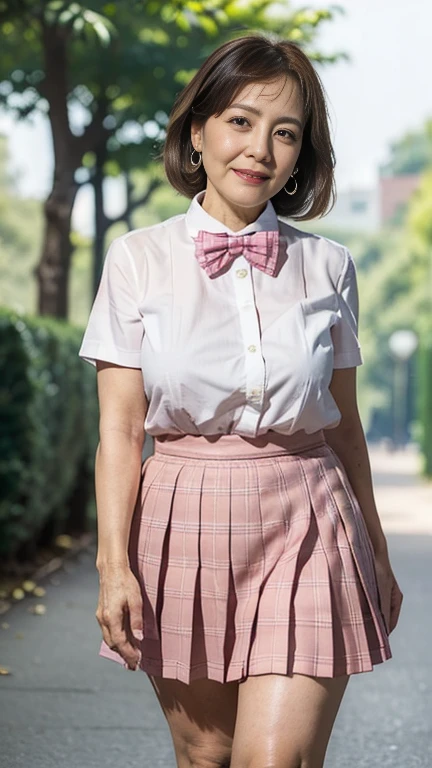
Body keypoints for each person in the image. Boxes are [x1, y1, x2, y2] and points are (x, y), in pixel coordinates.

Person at [78, 33, 403, 768]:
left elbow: (346, 427)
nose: (261, 148)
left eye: (285, 132)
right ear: (197, 130)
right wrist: (112, 566)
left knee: (272, 759)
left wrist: (376, 550)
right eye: (241, 121)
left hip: (308, 517)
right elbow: (121, 430)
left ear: (300, 155)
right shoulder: (138, 260)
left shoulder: (329, 266)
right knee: (207, 756)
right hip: (181, 515)